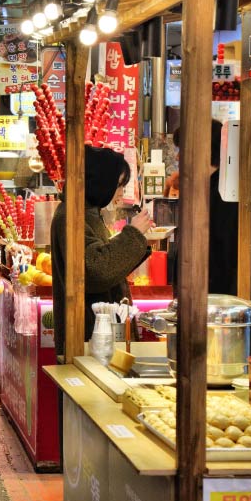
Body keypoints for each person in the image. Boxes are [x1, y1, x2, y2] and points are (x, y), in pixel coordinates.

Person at [50, 146, 154, 358]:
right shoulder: (72, 216)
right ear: (100, 182)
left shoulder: (83, 212)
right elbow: (96, 270)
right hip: (89, 332)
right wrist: (133, 234)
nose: (120, 192)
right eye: (118, 184)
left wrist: (136, 241)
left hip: (96, 331)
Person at [203, 119, 251, 305]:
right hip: (214, 310)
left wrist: (236, 317)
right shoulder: (207, 192)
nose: (177, 159)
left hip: (224, 315)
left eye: (181, 151)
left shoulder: (235, 195)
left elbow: (250, 264)